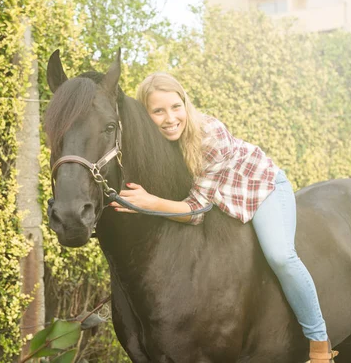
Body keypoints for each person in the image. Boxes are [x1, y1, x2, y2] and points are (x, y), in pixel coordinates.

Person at [110, 72, 338, 363]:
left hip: (260, 187)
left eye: (175, 106)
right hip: (221, 198)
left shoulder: (208, 133)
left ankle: (319, 342)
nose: (170, 118)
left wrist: (151, 202)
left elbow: (194, 210)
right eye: (158, 111)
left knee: (281, 256)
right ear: (145, 114)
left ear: (185, 103)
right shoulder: (153, 142)